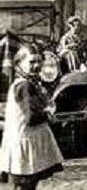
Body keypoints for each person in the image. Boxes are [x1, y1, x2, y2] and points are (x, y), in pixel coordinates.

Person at [0, 45, 63, 190]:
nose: (36, 66)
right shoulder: (24, 86)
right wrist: (48, 113)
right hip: (25, 144)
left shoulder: (26, 83)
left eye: (39, 61)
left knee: (27, 185)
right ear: (19, 64)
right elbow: (31, 118)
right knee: (25, 184)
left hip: (25, 142)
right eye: (31, 62)